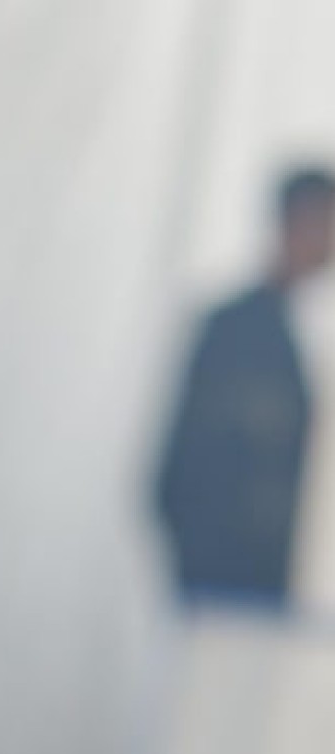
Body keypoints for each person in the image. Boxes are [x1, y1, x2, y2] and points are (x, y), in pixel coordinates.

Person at [155, 165, 335, 604]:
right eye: (324, 225)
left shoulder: (308, 331)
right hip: (231, 586)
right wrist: (207, 576)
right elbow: (177, 472)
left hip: (279, 590)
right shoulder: (231, 329)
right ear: (296, 223)